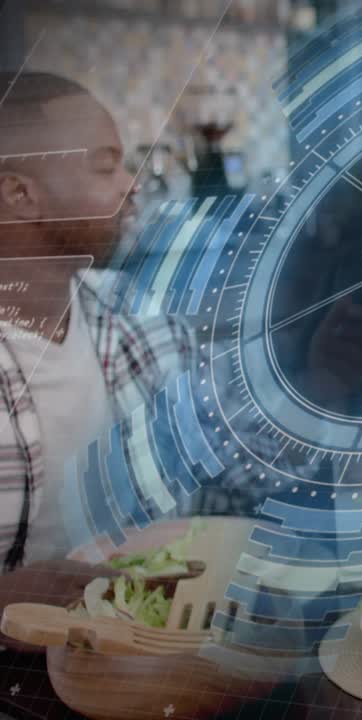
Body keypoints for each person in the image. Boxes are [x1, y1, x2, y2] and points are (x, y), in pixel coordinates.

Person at [0, 72, 194, 636]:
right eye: (105, 167)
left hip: (143, 656)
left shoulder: (135, 314)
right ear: (21, 195)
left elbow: (225, 460)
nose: (130, 185)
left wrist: (319, 380)